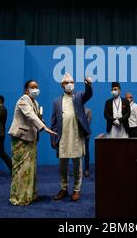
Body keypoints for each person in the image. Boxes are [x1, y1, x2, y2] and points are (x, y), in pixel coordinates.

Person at [8, 80, 57, 206]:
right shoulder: (23, 100)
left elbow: (35, 118)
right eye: (32, 87)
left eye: (37, 87)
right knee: (21, 169)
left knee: (30, 169)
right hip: (21, 139)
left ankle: (30, 195)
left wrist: (42, 121)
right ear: (26, 90)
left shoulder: (35, 102)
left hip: (31, 139)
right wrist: (43, 127)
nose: (36, 89)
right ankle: (19, 198)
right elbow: (30, 115)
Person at [51, 73, 93, 202]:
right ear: (62, 85)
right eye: (67, 82)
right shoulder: (57, 101)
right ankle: (63, 189)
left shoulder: (79, 96)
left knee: (77, 166)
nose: (70, 84)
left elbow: (88, 94)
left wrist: (88, 85)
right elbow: (53, 122)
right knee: (63, 166)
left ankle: (76, 190)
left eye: (72, 82)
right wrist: (53, 138)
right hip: (62, 137)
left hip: (76, 136)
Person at [83, 106, 92, 177]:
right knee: (76, 153)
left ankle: (87, 170)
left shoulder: (88, 110)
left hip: (85, 135)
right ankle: (77, 170)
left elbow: (87, 123)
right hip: (76, 136)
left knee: (86, 152)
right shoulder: (74, 110)